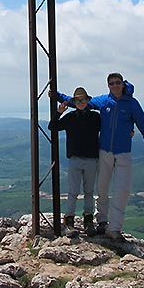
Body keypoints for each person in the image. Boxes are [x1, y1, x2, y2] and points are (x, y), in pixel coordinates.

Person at [57, 73, 144, 241]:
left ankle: (114, 228)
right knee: (102, 189)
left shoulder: (132, 104)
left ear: (123, 84)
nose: (114, 85)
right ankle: (102, 221)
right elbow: (79, 102)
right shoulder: (104, 101)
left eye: (117, 83)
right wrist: (57, 96)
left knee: (123, 190)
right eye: (111, 83)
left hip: (123, 152)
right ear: (108, 85)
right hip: (104, 151)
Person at [47, 86, 101, 237]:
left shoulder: (96, 117)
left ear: (87, 101)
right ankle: (69, 223)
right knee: (73, 192)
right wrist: (58, 113)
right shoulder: (70, 117)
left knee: (89, 192)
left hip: (91, 160)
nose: (81, 102)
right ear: (74, 102)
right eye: (78, 100)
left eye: (83, 100)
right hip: (75, 159)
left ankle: (88, 222)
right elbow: (52, 127)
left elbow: (109, 130)